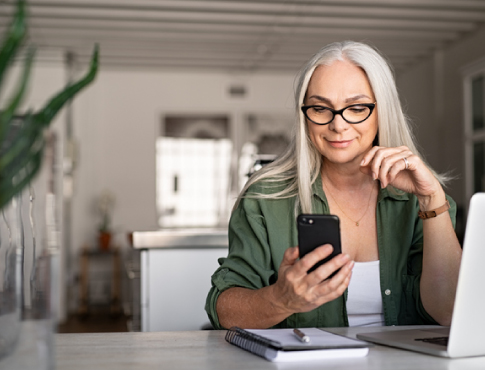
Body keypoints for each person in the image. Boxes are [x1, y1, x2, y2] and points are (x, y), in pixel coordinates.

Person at [205, 41, 462, 330]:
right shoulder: (264, 198)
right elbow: (224, 310)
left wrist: (431, 200)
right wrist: (281, 300)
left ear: (382, 111)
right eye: (320, 108)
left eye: (356, 108)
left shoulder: (424, 201)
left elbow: (450, 312)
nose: (338, 125)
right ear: (305, 116)